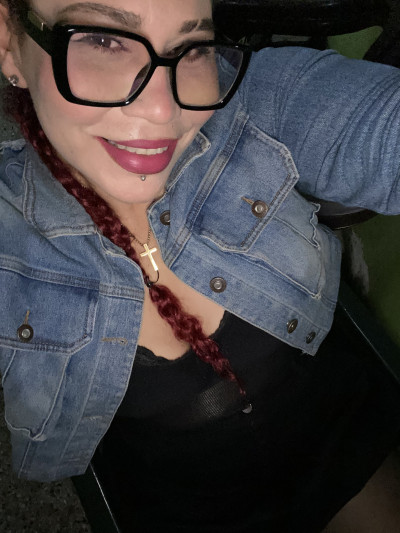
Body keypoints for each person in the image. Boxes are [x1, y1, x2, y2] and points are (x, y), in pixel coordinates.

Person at [0, 0, 400, 531]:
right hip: (189, 511)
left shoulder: (255, 106)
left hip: (340, 439)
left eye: (193, 47)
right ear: (9, 41)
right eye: (103, 40)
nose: (163, 109)